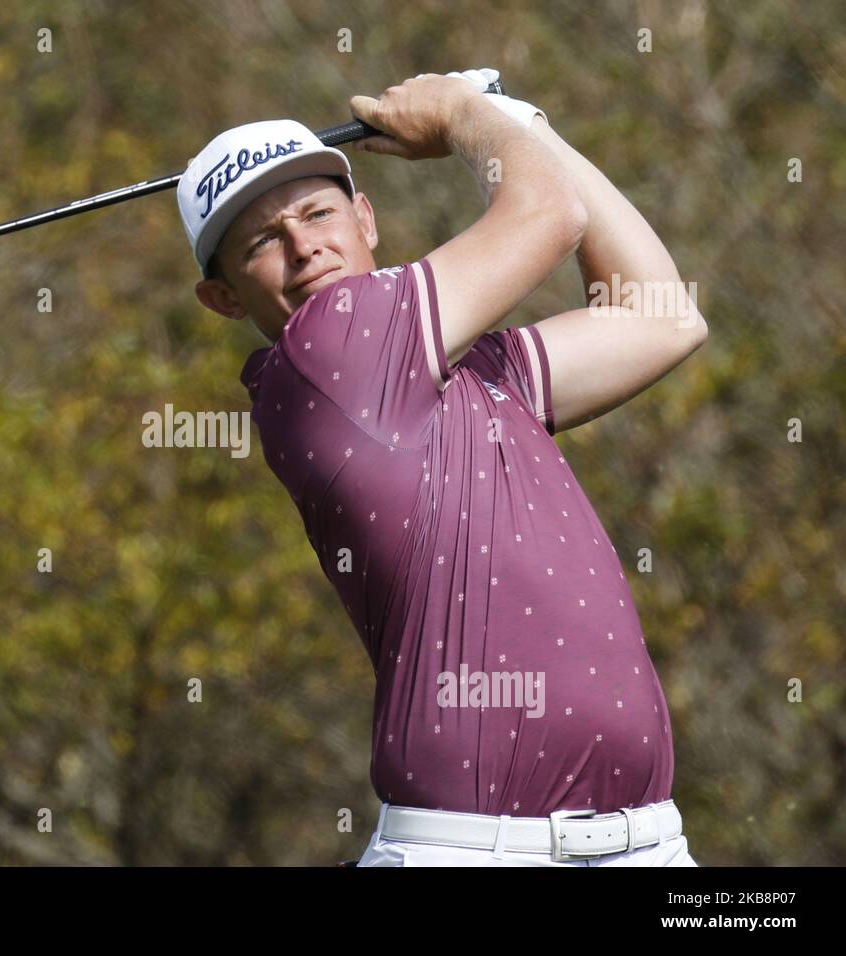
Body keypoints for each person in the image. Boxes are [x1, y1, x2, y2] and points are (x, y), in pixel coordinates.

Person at [175, 69, 708, 866]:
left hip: (648, 843)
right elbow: (550, 212)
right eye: (261, 241)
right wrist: (468, 116)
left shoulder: (476, 374)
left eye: (319, 213)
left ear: (366, 218)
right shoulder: (326, 352)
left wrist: (527, 123)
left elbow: (660, 318)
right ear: (221, 299)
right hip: (473, 853)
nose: (303, 246)